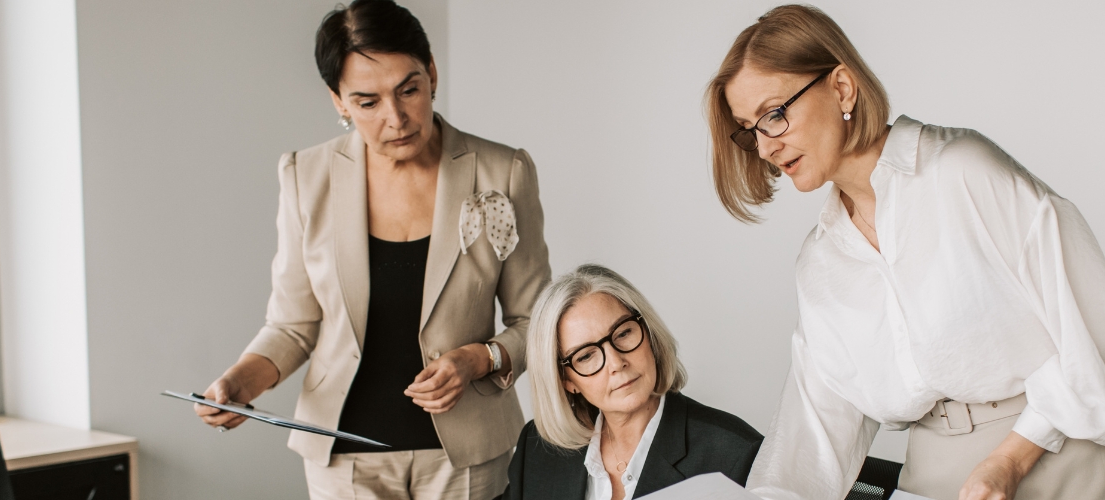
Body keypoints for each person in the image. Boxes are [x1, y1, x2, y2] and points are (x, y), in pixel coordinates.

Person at [705, 5, 1105, 500]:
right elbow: (817, 424)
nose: (765, 148)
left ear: (842, 88)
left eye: (775, 114)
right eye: (750, 129)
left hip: (1060, 452)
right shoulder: (821, 261)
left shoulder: (962, 172)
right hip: (937, 474)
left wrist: (1009, 460)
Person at [193, 1, 550, 498]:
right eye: (367, 101)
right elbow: (293, 326)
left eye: (409, 89)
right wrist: (238, 384)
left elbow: (536, 320)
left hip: (465, 456)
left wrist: (478, 358)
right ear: (338, 101)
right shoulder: (305, 176)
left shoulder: (501, 171)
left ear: (432, 74)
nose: (397, 117)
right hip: (341, 455)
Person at [505, 264, 763, 500]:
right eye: (585, 356)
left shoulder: (737, 454)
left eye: (624, 333)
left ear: (649, 333)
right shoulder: (537, 449)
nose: (616, 363)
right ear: (566, 381)